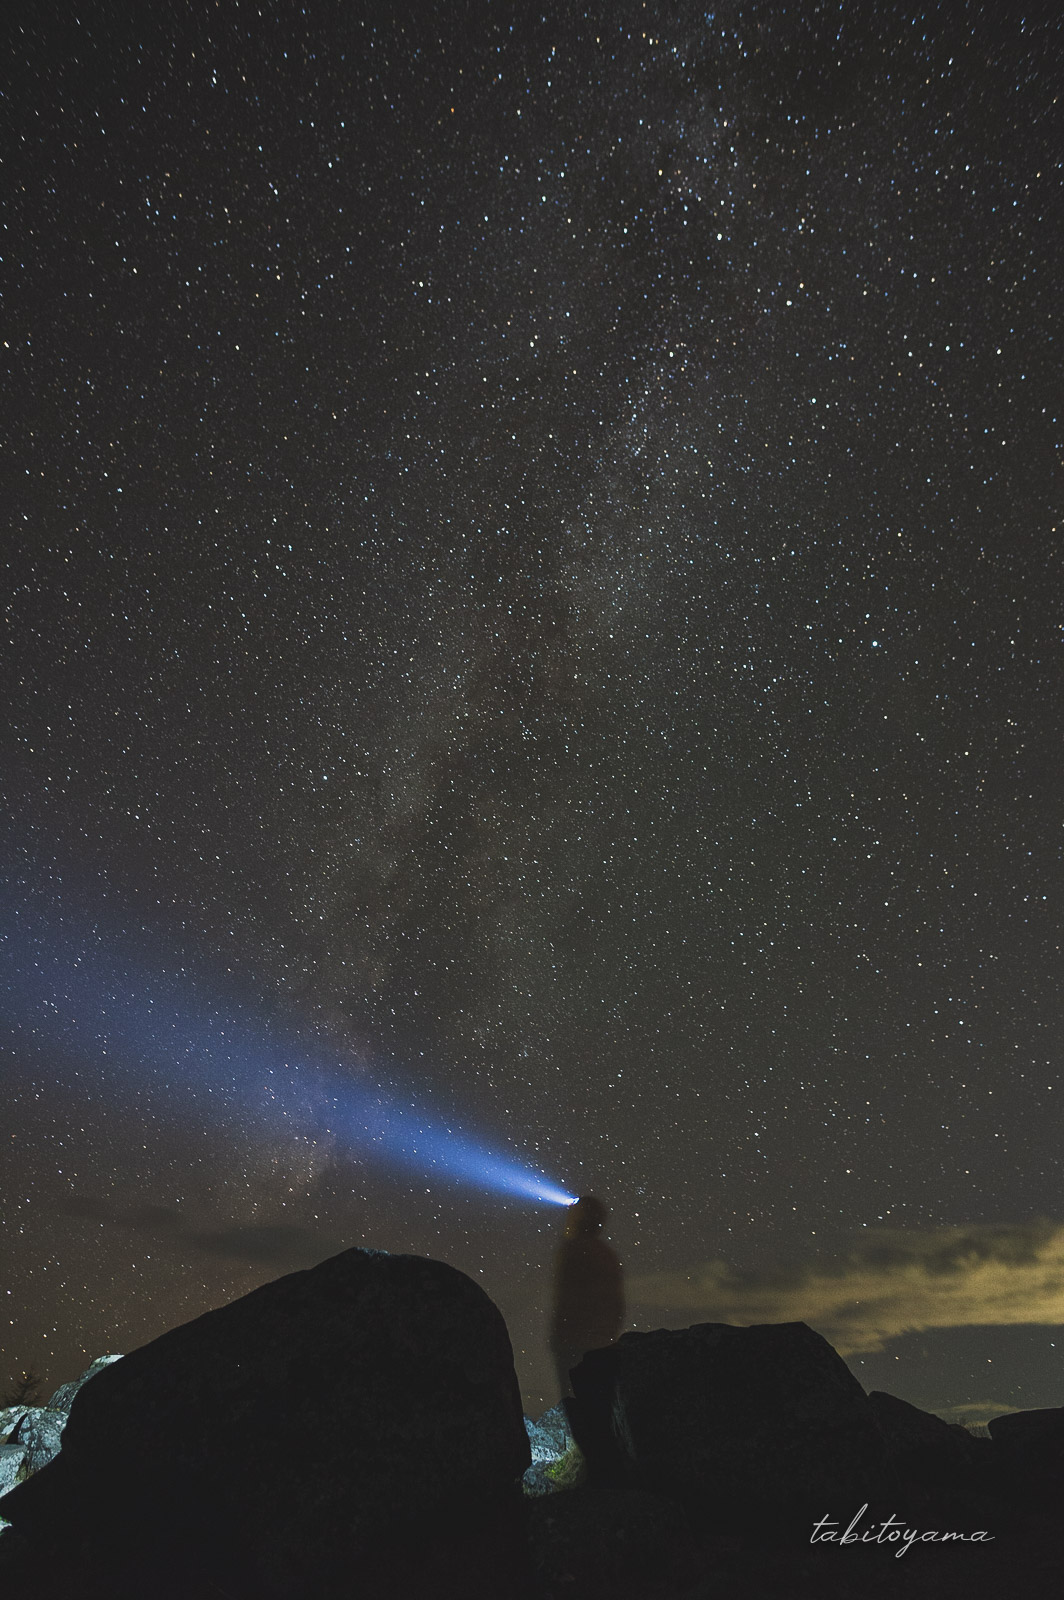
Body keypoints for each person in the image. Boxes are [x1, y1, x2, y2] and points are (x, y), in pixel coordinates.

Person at [548, 1194, 625, 1399]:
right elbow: (617, 1304)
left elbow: (566, 1298)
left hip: (573, 1342)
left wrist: (560, 1337)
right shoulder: (607, 1255)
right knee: (599, 1407)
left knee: (578, 1407)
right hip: (602, 1343)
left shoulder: (573, 1251)